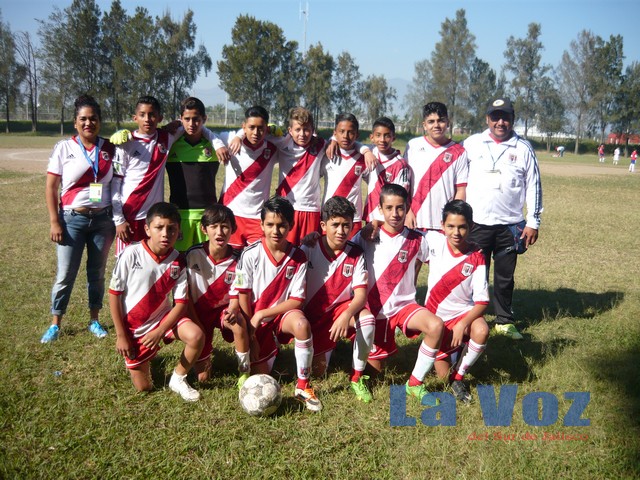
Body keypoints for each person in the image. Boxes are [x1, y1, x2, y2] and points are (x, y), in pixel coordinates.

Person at [351, 184, 443, 405]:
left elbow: (445, 246)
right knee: (375, 372)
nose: (395, 214)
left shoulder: (418, 238)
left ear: (408, 207)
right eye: (389, 208)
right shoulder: (367, 236)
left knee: (436, 326)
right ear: (380, 209)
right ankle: (357, 373)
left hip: (404, 306)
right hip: (375, 310)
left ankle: (415, 383)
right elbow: (341, 251)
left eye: (400, 208)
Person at [229, 196, 322, 411]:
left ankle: (303, 386)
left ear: (290, 226)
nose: (275, 230)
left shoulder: (297, 257)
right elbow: (242, 295)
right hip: (251, 318)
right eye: (270, 225)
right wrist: (251, 333)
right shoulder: (249, 253)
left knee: (301, 324)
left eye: (282, 225)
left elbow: (297, 300)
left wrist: (263, 314)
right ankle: (247, 366)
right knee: (260, 373)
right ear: (261, 225)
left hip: (279, 317)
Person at [463, 97, 543, 340]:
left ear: (512, 120)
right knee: (473, 273)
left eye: (505, 117)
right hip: (476, 223)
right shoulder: (472, 143)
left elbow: (534, 185)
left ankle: (504, 321)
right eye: (495, 117)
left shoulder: (523, 148)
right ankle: (467, 316)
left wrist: (533, 221)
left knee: (505, 276)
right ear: (487, 119)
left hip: (510, 225)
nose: (500, 122)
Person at [109, 202, 205, 401]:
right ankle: (145, 359)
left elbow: (180, 304)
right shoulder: (130, 254)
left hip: (162, 320)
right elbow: (114, 295)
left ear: (179, 232)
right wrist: (121, 335)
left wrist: (159, 331)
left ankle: (178, 378)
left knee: (196, 335)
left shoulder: (178, 260)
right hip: (133, 329)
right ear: (147, 229)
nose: (165, 234)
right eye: (159, 227)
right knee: (144, 388)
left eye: (171, 229)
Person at [40, 94, 116, 343]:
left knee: (96, 273)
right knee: (65, 274)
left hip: (103, 221)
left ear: (99, 121)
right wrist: (55, 221)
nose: (88, 123)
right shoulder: (64, 148)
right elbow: (52, 188)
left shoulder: (109, 148)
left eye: (93, 118)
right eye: (83, 119)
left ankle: (94, 320)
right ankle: (55, 323)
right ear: (75, 122)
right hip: (72, 220)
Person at [111, 96, 227, 255]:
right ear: (135, 117)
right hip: (129, 215)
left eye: (152, 115)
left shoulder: (167, 137)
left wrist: (218, 143)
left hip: (155, 218)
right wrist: (118, 219)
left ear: (160, 118)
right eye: (142, 114)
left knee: (155, 261)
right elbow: (115, 183)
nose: (147, 119)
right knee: (125, 263)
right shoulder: (125, 142)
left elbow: (198, 128)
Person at [300, 197, 376, 403]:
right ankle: (327, 347)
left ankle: (357, 377)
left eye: (346, 225)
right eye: (335, 225)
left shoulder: (356, 253)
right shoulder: (309, 247)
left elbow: (361, 295)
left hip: (339, 313)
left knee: (367, 320)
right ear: (323, 225)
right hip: (313, 319)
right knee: (318, 373)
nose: (341, 231)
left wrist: (346, 315)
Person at [426, 200, 490, 403]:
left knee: (481, 330)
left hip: (463, 314)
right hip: (437, 319)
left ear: (471, 226)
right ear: (442, 225)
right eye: (451, 226)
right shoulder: (432, 241)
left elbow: (482, 301)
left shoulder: (477, 256)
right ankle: (454, 356)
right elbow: (402, 234)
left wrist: (462, 323)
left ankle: (459, 376)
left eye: (462, 227)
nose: (456, 232)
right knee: (442, 377)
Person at [185, 204, 250, 386]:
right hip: (199, 314)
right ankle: (203, 354)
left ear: (233, 229)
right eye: (214, 226)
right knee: (203, 379)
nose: (219, 232)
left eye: (225, 226)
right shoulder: (193, 254)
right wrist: (196, 322)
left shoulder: (239, 258)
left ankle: (244, 372)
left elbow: (238, 291)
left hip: (224, 310)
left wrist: (233, 309)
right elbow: (186, 296)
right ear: (204, 229)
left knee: (238, 324)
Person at [217, 106, 279, 248]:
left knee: (255, 265)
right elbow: (205, 132)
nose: (256, 132)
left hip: (257, 218)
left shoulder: (273, 146)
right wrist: (238, 136)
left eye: (261, 128)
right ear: (244, 126)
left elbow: (294, 139)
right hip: (230, 214)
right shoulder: (229, 139)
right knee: (229, 264)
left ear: (266, 128)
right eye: (251, 127)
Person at [166, 97, 222, 251]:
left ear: (204, 119)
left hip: (207, 216)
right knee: (181, 263)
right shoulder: (171, 144)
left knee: (206, 264)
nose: (192, 124)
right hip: (180, 215)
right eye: (187, 119)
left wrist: (269, 128)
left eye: (196, 119)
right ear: (180, 119)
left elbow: (244, 134)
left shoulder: (215, 144)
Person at [404, 102, 468, 232]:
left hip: (444, 225)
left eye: (441, 121)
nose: (436, 125)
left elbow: (460, 190)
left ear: (448, 122)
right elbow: (404, 185)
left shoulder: (459, 151)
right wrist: (407, 211)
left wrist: (452, 219)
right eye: (431, 121)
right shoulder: (413, 146)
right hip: (415, 220)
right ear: (424, 125)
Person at [321, 114, 367, 238]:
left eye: (350, 132)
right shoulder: (326, 154)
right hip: (330, 216)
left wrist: (366, 151)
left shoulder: (363, 158)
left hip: (353, 219)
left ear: (357, 135)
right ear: (335, 133)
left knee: (351, 254)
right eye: (342, 131)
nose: (345, 136)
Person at [362, 116, 411, 224]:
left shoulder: (401, 165)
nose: (382, 140)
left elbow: (401, 195)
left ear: (394, 137)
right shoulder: (370, 153)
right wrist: (366, 152)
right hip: (370, 215)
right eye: (378, 135)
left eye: (387, 135)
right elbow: (356, 145)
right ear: (372, 137)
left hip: (390, 220)